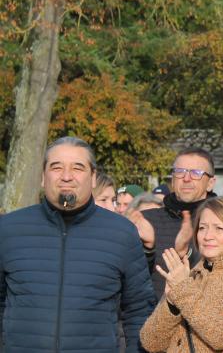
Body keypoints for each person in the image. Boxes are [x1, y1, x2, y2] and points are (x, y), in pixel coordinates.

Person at [0, 136, 156, 352]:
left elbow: (139, 310)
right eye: (56, 167)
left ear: (93, 178)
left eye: (77, 168)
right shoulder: (8, 229)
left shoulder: (122, 233)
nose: (66, 176)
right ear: (43, 177)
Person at [140, 196, 223, 352]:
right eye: (202, 227)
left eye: (219, 228)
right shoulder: (191, 274)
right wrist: (171, 303)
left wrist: (183, 290)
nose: (207, 236)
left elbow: (221, 337)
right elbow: (150, 342)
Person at [140, 148, 220, 298]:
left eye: (196, 173)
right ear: (172, 179)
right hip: (153, 310)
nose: (186, 178)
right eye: (180, 172)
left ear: (210, 183)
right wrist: (147, 249)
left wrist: (186, 254)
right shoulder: (146, 221)